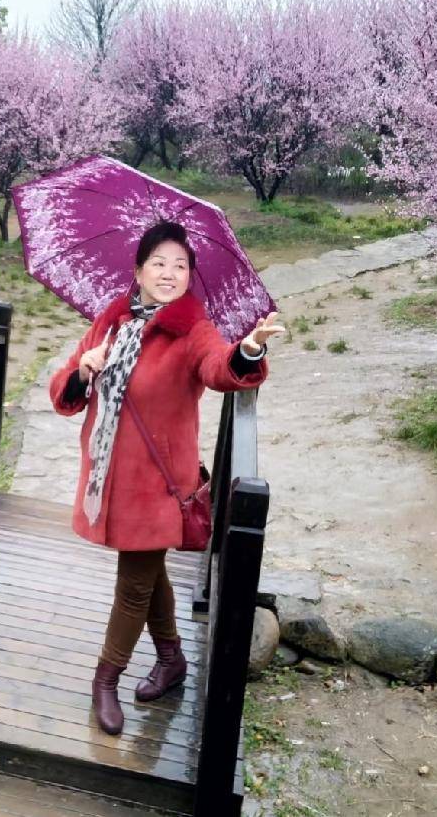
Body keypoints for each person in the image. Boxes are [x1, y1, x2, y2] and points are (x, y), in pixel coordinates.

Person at [49, 219, 285, 735]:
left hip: (158, 485)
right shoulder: (110, 321)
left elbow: (219, 369)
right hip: (110, 475)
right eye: (158, 262)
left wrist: (249, 349)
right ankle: (172, 659)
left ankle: (104, 681)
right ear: (137, 271)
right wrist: (84, 370)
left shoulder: (191, 329)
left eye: (180, 265)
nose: (169, 272)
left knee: (133, 582)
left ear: (191, 277)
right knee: (146, 568)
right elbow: (62, 395)